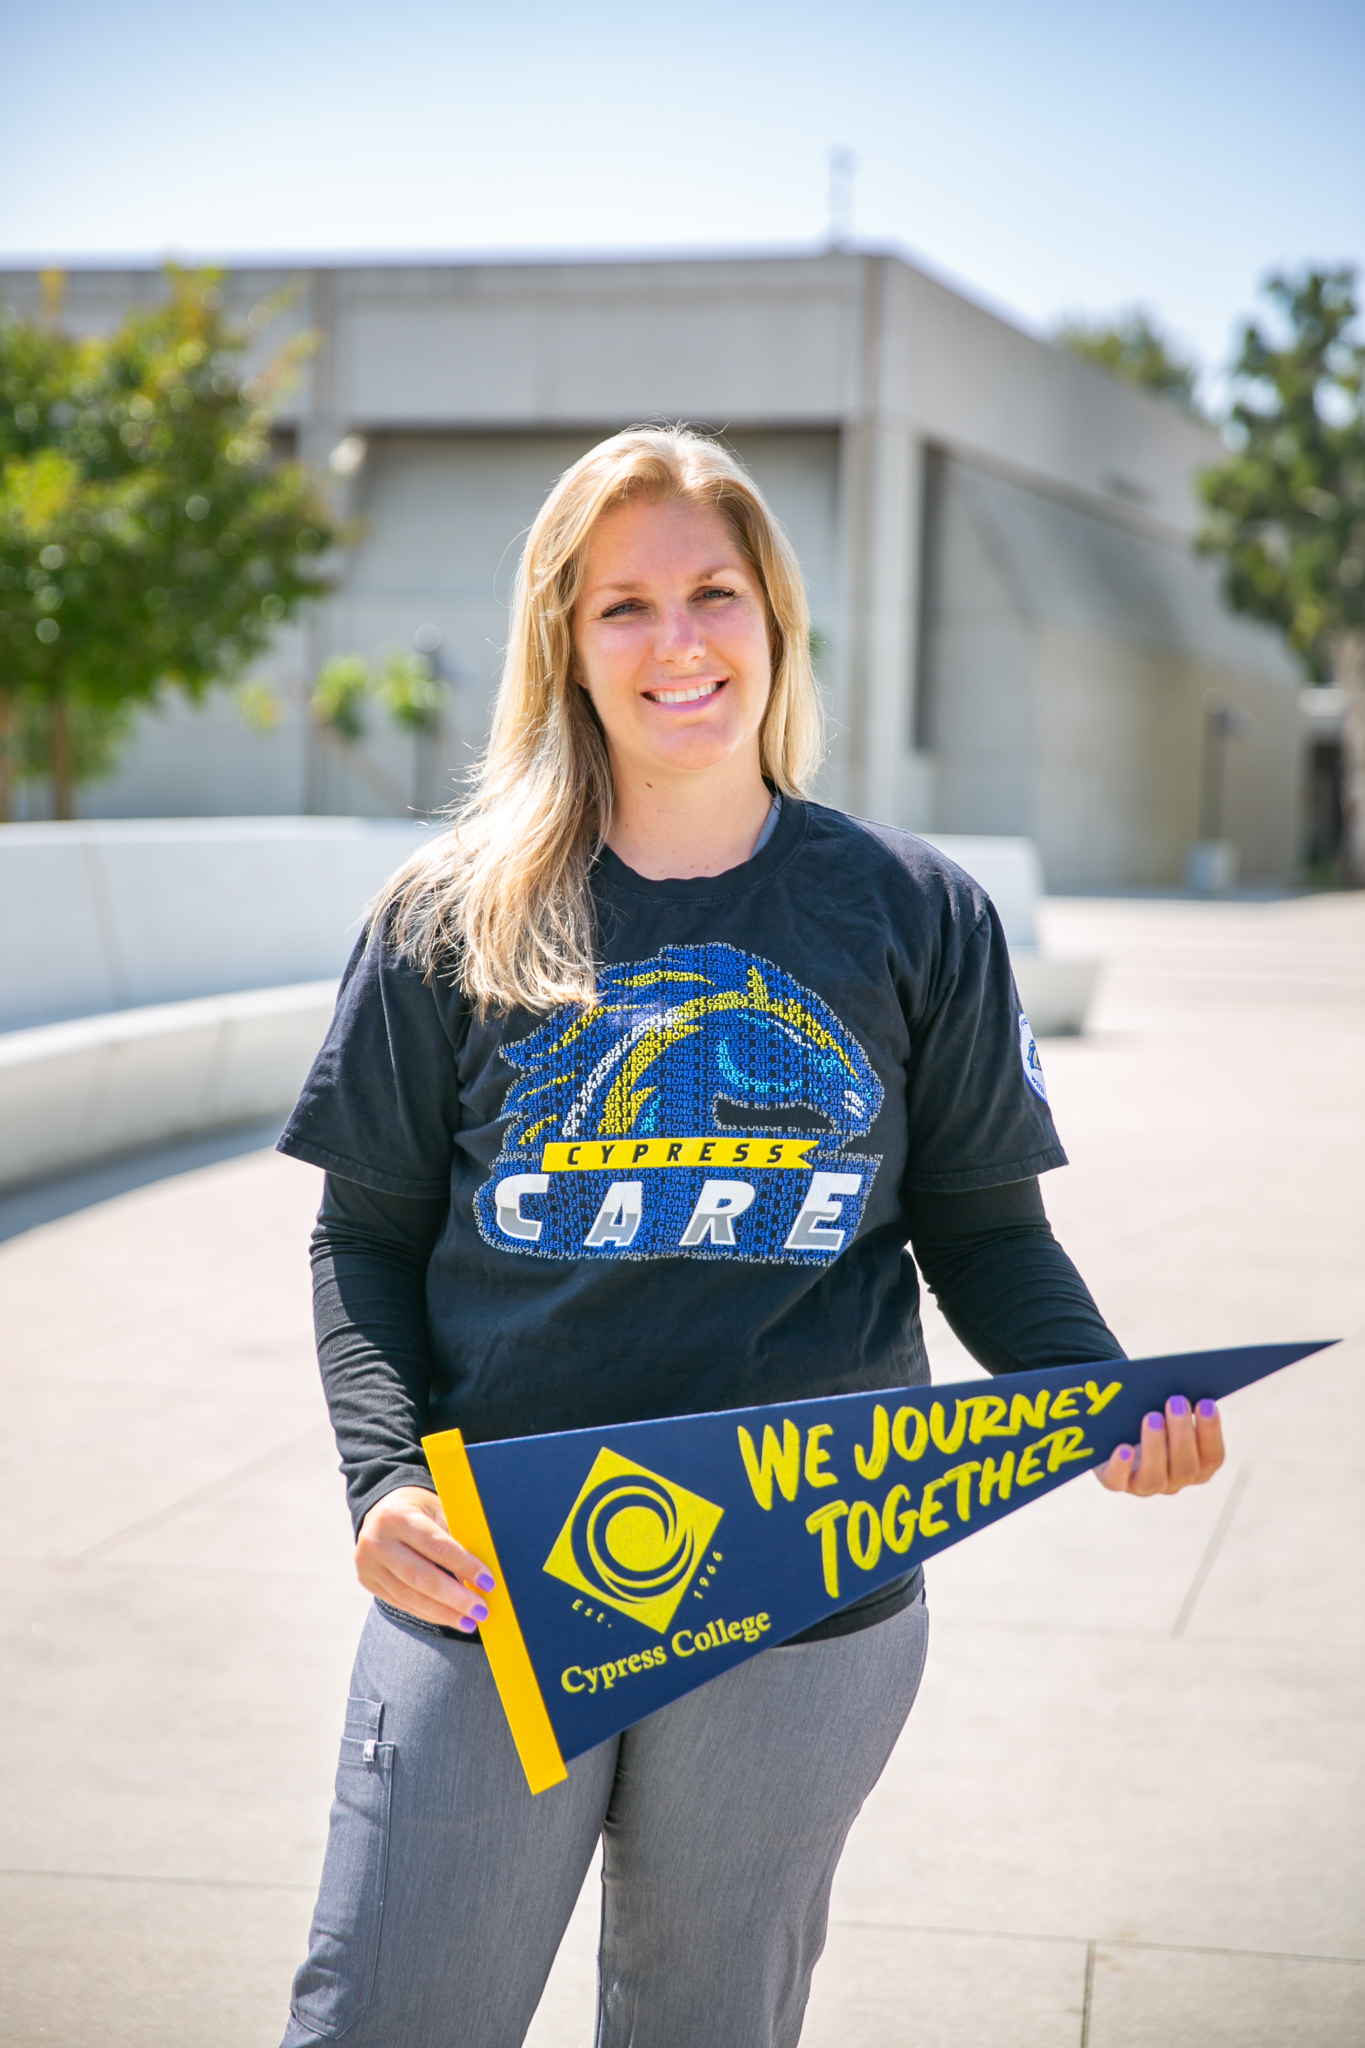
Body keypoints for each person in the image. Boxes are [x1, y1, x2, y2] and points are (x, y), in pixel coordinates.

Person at [276, 427, 1225, 2048]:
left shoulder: (910, 913)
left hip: (805, 1572)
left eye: (712, 593)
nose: (678, 643)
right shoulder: (451, 915)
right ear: (563, 646)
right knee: (390, 2014)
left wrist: (1093, 1394)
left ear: (776, 620)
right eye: (622, 607)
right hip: (503, 1569)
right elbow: (362, 1240)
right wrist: (386, 1481)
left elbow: (982, 1233)